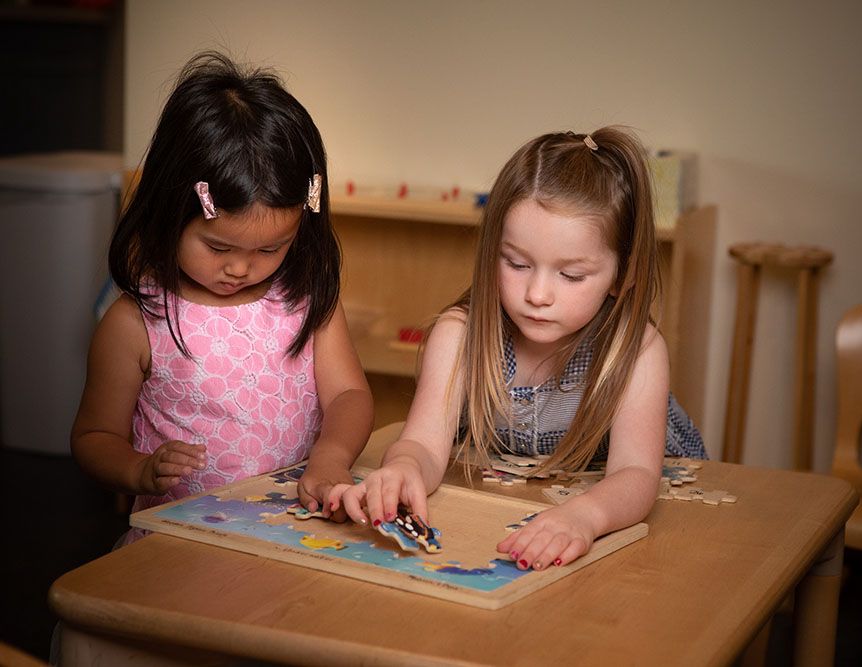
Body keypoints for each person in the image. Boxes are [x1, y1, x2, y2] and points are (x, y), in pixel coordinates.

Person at [328, 127, 705, 571]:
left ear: (624, 275)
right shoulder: (460, 335)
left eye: (571, 275)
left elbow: (637, 475)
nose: (538, 294)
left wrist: (584, 516)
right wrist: (404, 468)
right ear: (493, 252)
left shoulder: (637, 349)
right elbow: (423, 445)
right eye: (517, 264)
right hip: (515, 505)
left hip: (628, 516)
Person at [71, 51, 374, 546]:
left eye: (271, 248)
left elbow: (349, 395)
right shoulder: (137, 322)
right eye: (218, 247)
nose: (240, 267)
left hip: (294, 533)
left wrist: (332, 456)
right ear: (171, 212)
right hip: (180, 545)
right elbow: (92, 438)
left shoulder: (306, 298)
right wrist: (140, 471)